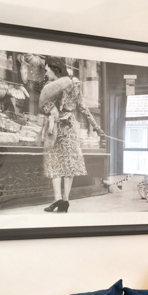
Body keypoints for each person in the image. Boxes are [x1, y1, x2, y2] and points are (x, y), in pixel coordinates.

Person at [39, 57, 104, 213]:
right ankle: (65, 201)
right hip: (69, 128)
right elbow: (83, 109)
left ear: (55, 69)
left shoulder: (50, 87)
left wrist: (52, 113)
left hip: (56, 129)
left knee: (55, 163)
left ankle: (58, 199)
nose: (46, 72)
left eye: (47, 69)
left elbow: (45, 106)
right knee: (68, 164)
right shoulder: (73, 86)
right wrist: (97, 128)